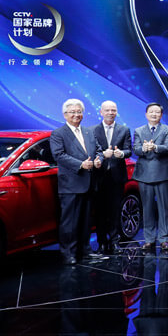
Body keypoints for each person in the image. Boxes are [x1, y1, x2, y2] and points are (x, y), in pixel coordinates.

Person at [49, 98, 97, 264]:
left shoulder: (88, 132)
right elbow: (59, 155)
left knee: (86, 221)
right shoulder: (58, 133)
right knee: (70, 222)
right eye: (72, 112)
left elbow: (97, 150)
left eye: (79, 112)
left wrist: (98, 160)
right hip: (70, 184)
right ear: (65, 114)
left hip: (89, 183)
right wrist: (81, 164)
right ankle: (68, 253)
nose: (76, 115)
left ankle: (85, 250)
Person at [91, 100, 132, 255]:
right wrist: (102, 155)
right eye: (107, 110)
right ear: (101, 112)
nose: (110, 113)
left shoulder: (124, 130)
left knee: (115, 211)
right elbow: (91, 151)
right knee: (100, 212)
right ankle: (102, 243)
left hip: (117, 177)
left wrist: (121, 154)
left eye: (113, 110)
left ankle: (115, 242)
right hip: (99, 177)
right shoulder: (92, 130)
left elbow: (129, 150)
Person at [133, 102, 168, 250]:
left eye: (157, 112)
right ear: (146, 114)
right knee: (147, 208)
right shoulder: (138, 131)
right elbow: (136, 149)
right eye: (151, 112)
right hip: (144, 174)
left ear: (161, 115)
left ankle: (164, 238)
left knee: (164, 208)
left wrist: (155, 147)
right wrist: (144, 148)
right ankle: (149, 239)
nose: (154, 114)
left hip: (162, 173)